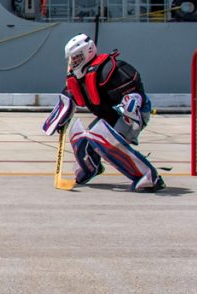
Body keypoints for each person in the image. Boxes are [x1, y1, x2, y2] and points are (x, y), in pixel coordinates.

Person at [42, 33, 165, 192]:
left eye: (77, 57)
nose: (73, 62)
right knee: (81, 136)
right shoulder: (77, 78)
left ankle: (148, 176)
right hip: (110, 117)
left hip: (131, 115)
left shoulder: (108, 68)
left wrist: (131, 111)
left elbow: (135, 91)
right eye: (72, 58)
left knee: (103, 139)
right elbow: (69, 99)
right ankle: (89, 167)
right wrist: (60, 118)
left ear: (88, 51)